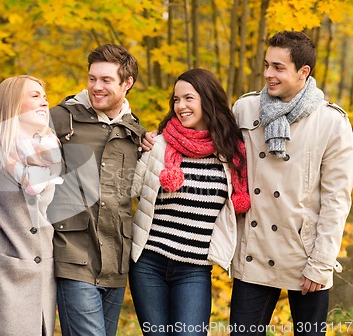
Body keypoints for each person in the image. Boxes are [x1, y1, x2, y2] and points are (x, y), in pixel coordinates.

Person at [229, 31, 353, 335]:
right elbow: (212, 150)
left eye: (278, 67)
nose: (268, 74)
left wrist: (321, 263)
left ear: (303, 72)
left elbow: (336, 199)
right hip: (254, 254)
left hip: (305, 256)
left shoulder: (332, 122)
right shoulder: (245, 109)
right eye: (267, 65)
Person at [129, 68, 251, 336]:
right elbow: (128, 190)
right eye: (176, 99)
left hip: (194, 270)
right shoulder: (158, 145)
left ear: (207, 100)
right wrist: (133, 147)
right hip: (149, 264)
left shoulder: (229, 153)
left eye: (188, 98)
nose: (180, 106)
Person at [47, 43, 147, 336]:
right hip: (73, 254)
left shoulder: (134, 131)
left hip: (115, 260)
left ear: (127, 83)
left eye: (106, 80)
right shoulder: (59, 119)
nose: (96, 87)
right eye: (92, 78)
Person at [0, 75, 62, 336]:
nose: (44, 101)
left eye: (44, 96)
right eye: (35, 95)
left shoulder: (49, 147)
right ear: (13, 103)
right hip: (6, 267)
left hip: (43, 268)